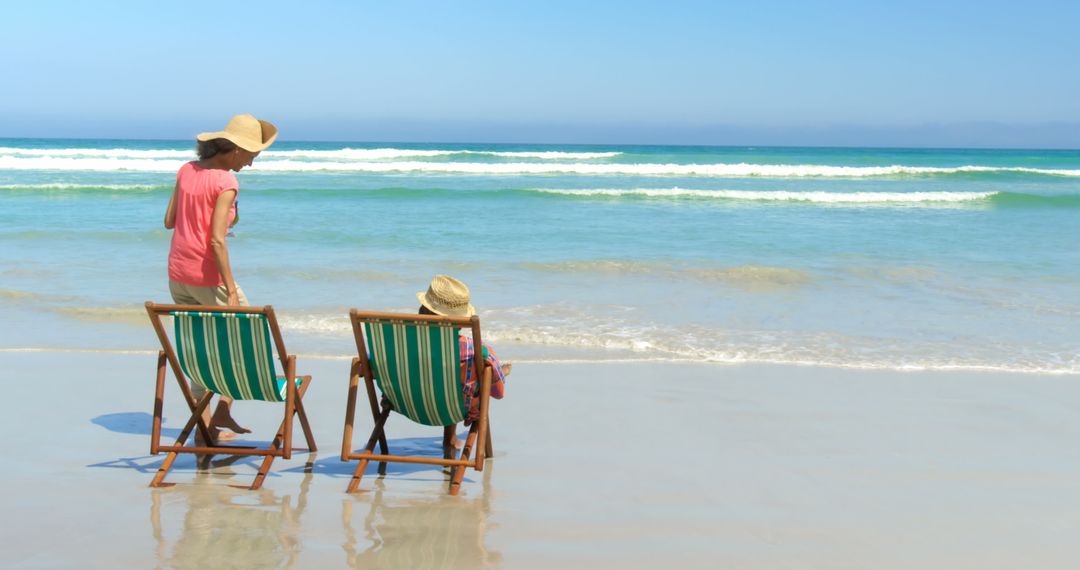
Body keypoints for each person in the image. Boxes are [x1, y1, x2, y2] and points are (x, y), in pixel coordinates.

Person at [163, 113, 278, 443]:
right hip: (208, 277)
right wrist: (229, 287)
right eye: (253, 156)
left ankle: (205, 427)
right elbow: (215, 240)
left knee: (199, 347)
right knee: (249, 339)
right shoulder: (227, 182)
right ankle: (224, 407)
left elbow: (170, 220)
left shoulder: (186, 170)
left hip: (177, 274)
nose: (252, 164)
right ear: (237, 150)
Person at [415, 275, 510, 449]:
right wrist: (495, 374)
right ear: (459, 321)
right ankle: (500, 371)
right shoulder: (476, 351)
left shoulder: (397, 345)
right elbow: (498, 393)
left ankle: (449, 438)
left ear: (422, 310)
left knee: (442, 375)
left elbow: (374, 366)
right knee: (468, 376)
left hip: (410, 403)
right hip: (455, 406)